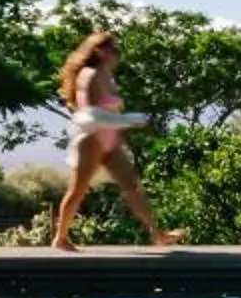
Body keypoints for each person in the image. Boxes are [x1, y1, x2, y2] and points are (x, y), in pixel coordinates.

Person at [49, 32, 182, 249]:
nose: (116, 54)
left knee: (132, 186)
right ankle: (60, 238)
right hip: (91, 139)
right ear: (100, 51)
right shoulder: (89, 75)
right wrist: (129, 120)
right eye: (112, 49)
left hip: (110, 140)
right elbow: (92, 114)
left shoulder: (107, 76)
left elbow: (108, 113)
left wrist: (124, 125)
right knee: (78, 190)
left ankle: (158, 234)